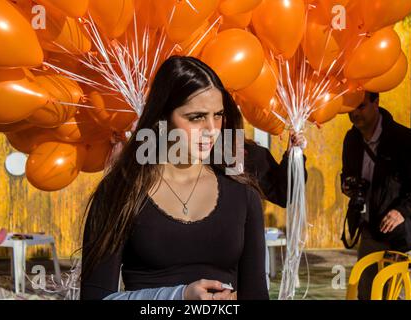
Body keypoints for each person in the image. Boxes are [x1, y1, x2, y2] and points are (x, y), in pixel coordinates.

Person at [80, 56, 269, 300]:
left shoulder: (243, 194)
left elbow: (257, 295)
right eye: (196, 117)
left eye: (218, 115)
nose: (211, 129)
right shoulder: (119, 192)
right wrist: (177, 297)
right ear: (163, 119)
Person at [341, 91, 411, 299]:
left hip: (399, 234)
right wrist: (348, 186)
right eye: (351, 108)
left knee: (396, 294)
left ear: (377, 103)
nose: (355, 113)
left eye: (361, 106)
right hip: (369, 230)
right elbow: (346, 174)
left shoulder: (404, 139)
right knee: (366, 292)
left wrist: (401, 211)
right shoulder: (351, 139)